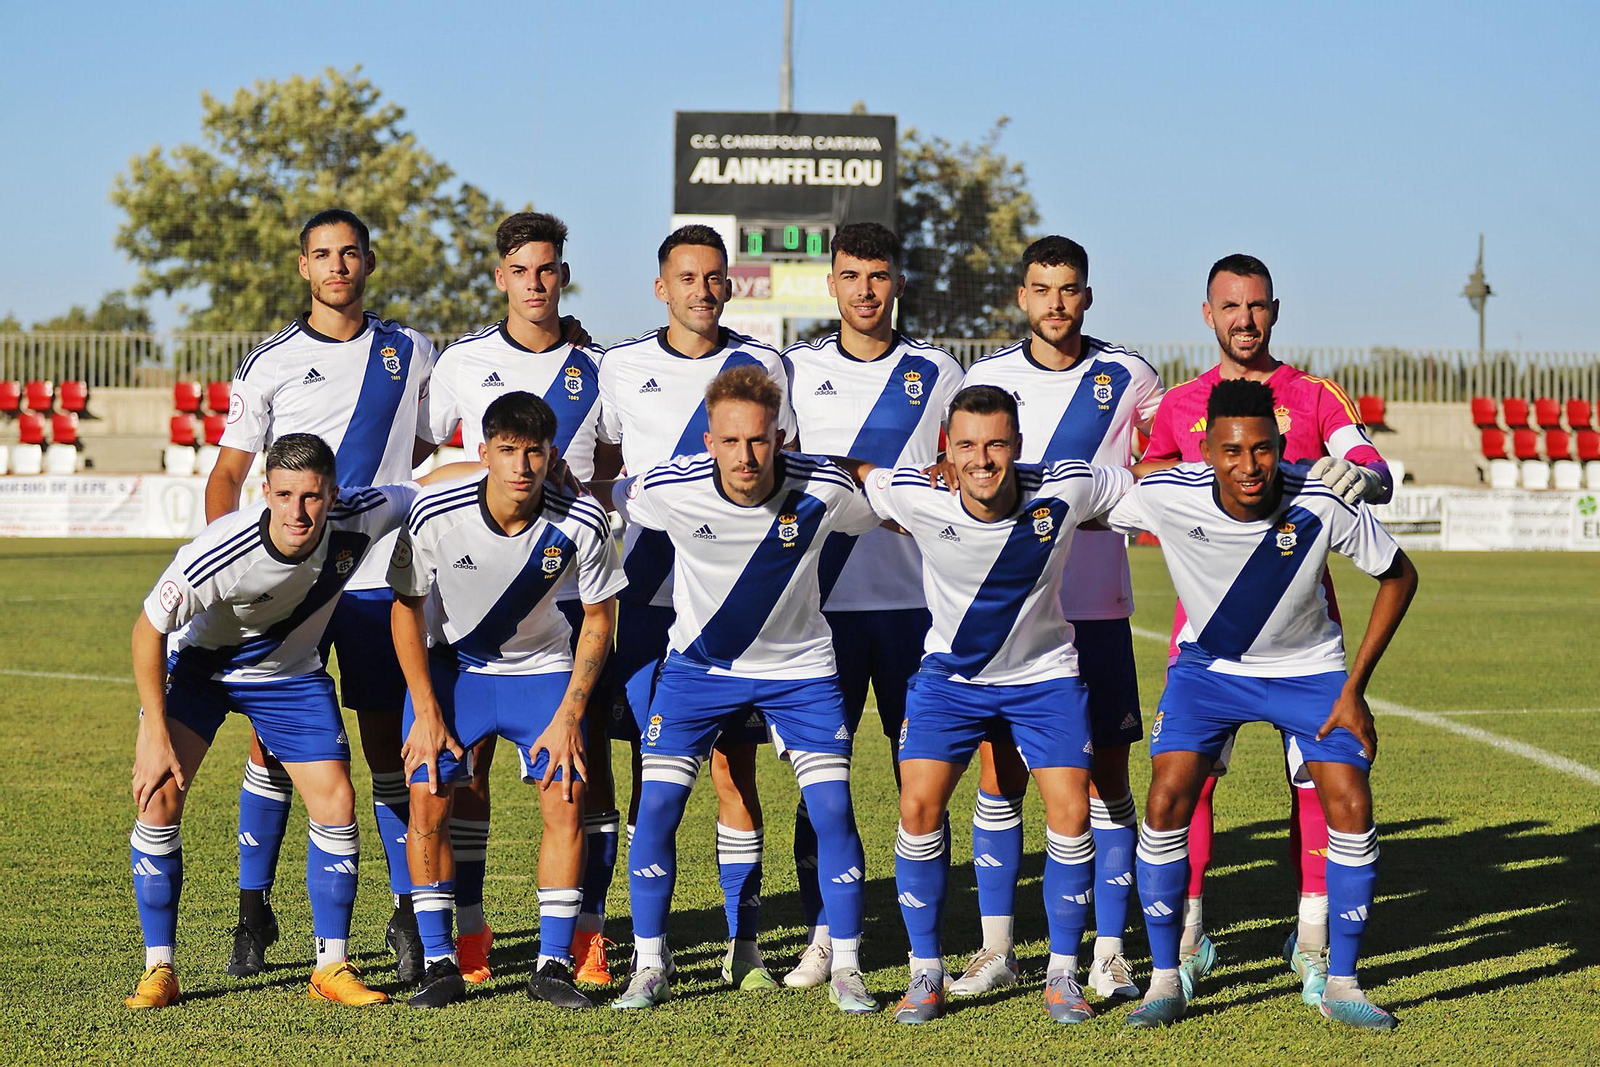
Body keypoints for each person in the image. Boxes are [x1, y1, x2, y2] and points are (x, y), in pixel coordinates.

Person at [832, 385, 1160, 1024]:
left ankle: (1063, 976)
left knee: (1071, 812)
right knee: (917, 806)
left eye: (997, 445)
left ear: (1017, 446)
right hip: (952, 681)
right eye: (968, 447)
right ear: (945, 455)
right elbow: (857, 470)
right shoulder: (918, 494)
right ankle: (926, 972)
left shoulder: (1064, 490)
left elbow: (1149, 483)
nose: (983, 460)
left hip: (1044, 678)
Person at [1107, 378, 1416, 1030]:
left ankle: (1343, 981)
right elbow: (1080, 494)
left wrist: (1355, 688)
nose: (1249, 467)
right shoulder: (1166, 495)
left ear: (1281, 445)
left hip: (1309, 671)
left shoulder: (1321, 497)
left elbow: (1399, 573)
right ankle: (1167, 977)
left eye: (1264, 450)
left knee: (1351, 802)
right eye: (1232, 451)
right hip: (1209, 673)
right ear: (1206, 452)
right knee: (1165, 798)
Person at [124, 434, 469, 1010]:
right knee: (157, 798)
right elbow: (147, 630)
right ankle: (160, 968)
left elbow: (425, 487)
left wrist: (497, 468)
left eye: (311, 496)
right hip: (202, 673)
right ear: (265, 492)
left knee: (337, 803)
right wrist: (154, 733)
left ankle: (330, 965)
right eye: (284, 495)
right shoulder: (219, 551)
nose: (297, 511)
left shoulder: (360, 516)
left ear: (332, 494)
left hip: (290, 678)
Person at [588, 366, 882, 1014]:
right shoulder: (668, 487)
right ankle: (650, 963)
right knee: (659, 809)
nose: (745, 456)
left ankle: (850, 967)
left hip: (800, 671)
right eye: (729, 441)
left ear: (779, 436)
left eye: (758, 441)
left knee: (833, 809)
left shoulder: (822, 485)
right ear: (709, 439)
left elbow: (886, 507)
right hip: (697, 671)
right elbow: (605, 490)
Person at [1141, 254, 1394, 1002]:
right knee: (1191, 786)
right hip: (1209, 635)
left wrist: (1369, 475)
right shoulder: (1182, 404)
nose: (1243, 320)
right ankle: (1185, 941)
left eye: (1256, 306)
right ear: (1207, 314)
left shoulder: (1313, 395)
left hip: (1304, 635)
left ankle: (1313, 941)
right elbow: (1149, 481)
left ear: (1274, 311)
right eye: (1230, 306)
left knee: (1318, 788)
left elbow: (1364, 459)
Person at [205, 208, 439, 981]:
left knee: (387, 749)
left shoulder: (412, 351)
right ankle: (252, 909)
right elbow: (228, 477)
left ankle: (406, 911)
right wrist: (234, 576)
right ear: (304, 267)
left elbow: (432, 448)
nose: (337, 266)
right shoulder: (268, 361)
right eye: (322, 255)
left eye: (349, 254)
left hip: (377, 585)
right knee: (271, 747)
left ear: (368, 262)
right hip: (290, 591)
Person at [955, 236, 1164, 1000]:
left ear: (1087, 295)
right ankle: (996, 948)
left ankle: (1109, 949)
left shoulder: (1130, 375)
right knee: (1000, 773)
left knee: (1107, 775)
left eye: (1069, 288)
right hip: (1009, 612)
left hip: (1097, 608)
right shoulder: (986, 380)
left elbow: (1164, 463)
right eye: (1041, 288)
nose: (1055, 302)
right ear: (1021, 296)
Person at [419, 212, 620, 985]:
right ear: (500, 276)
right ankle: (468, 931)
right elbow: (421, 452)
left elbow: (614, 464)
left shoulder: (599, 364)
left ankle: (585, 936)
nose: (536, 283)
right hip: (475, 591)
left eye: (549, 269)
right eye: (522, 269)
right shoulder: (466, 361)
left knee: (581, 768)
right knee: (461, 777)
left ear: (562, 276)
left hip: (569, 593)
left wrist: (584, 494)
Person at [595, 225, 796, 988]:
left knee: (734, 772)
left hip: (736, 605)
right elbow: (602, 464)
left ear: (730, 285)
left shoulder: (763, 365)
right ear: (661, 287)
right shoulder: (620, 366)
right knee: (658, 773)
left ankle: (743, 944)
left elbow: (780, 469)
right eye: (687, 277)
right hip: (648, 599)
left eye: (715, 278)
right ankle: (654, 951)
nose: (702, 291)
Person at [390, 391, 624, 1009]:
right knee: (426, 801)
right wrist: (427, 710)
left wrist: (570, 716)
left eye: (535, 453)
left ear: (551, 455)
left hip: (541, 670)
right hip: (453, 671)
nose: (522, 466)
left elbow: (600, 619)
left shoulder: (584, 520)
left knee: (567, 799)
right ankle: (442, 960)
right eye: (508, 451)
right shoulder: (435, 514)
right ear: (484, 450)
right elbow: (405, 611)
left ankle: (552, 964)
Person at [779, 221, 964, 987]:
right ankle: (825, 931)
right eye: (850, 275)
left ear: (897, 282)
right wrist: (857, 470)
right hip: (817, 607)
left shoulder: (939, 370)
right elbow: (776, 462)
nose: (865, 290)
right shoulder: (794, 367)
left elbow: (962, 468)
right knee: (824, 773)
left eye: (878, 275)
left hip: (918, 607)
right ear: (831, 282)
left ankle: (929, 934)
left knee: (920, 771)